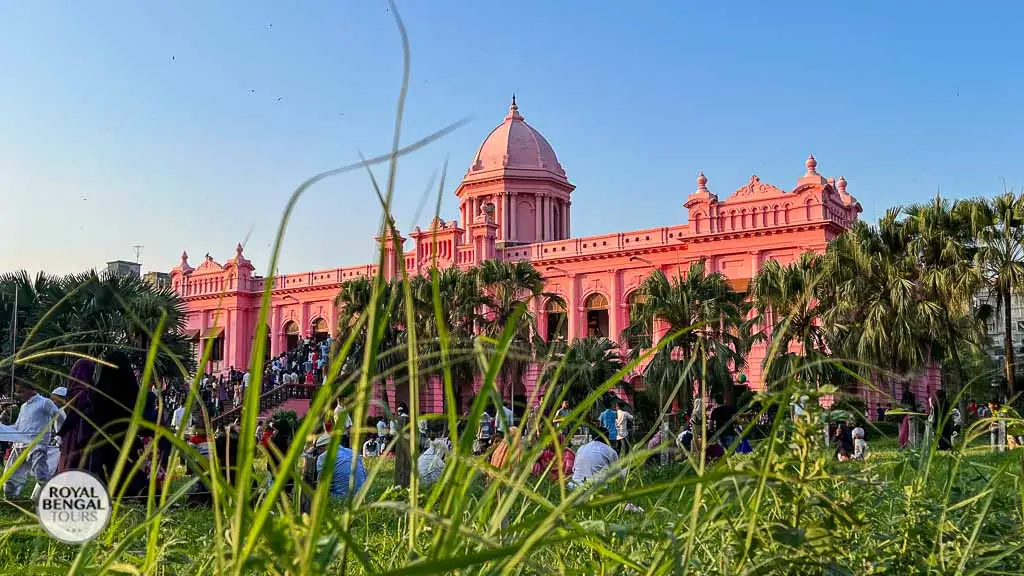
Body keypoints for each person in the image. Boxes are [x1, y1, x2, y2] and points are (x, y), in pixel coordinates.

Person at [0, 379, 63, 499]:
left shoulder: (45, 403)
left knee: (41, 475)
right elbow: (18, 427)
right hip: (19, 445)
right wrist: (3, 429)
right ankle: (11, 499)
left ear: (31, 390)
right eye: (19, 392)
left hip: (37, 445)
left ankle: (51, 499)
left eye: (21, 391)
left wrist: (60, 435)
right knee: (11, 473)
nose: (19, 395)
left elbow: (59, 417)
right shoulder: (23, 406)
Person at [316, 435, 367, 499]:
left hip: (340, 497)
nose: (318, 453)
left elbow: (321, 484)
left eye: (318, 450)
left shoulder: (323, 457)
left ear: (322, 447)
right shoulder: (352, 452)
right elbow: (365, 474)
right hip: (361, 496)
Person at [46, 387, 68, 477]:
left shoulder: (61, 412)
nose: (52, 403)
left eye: (54, 400)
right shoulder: (60, 411)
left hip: (62, 446)